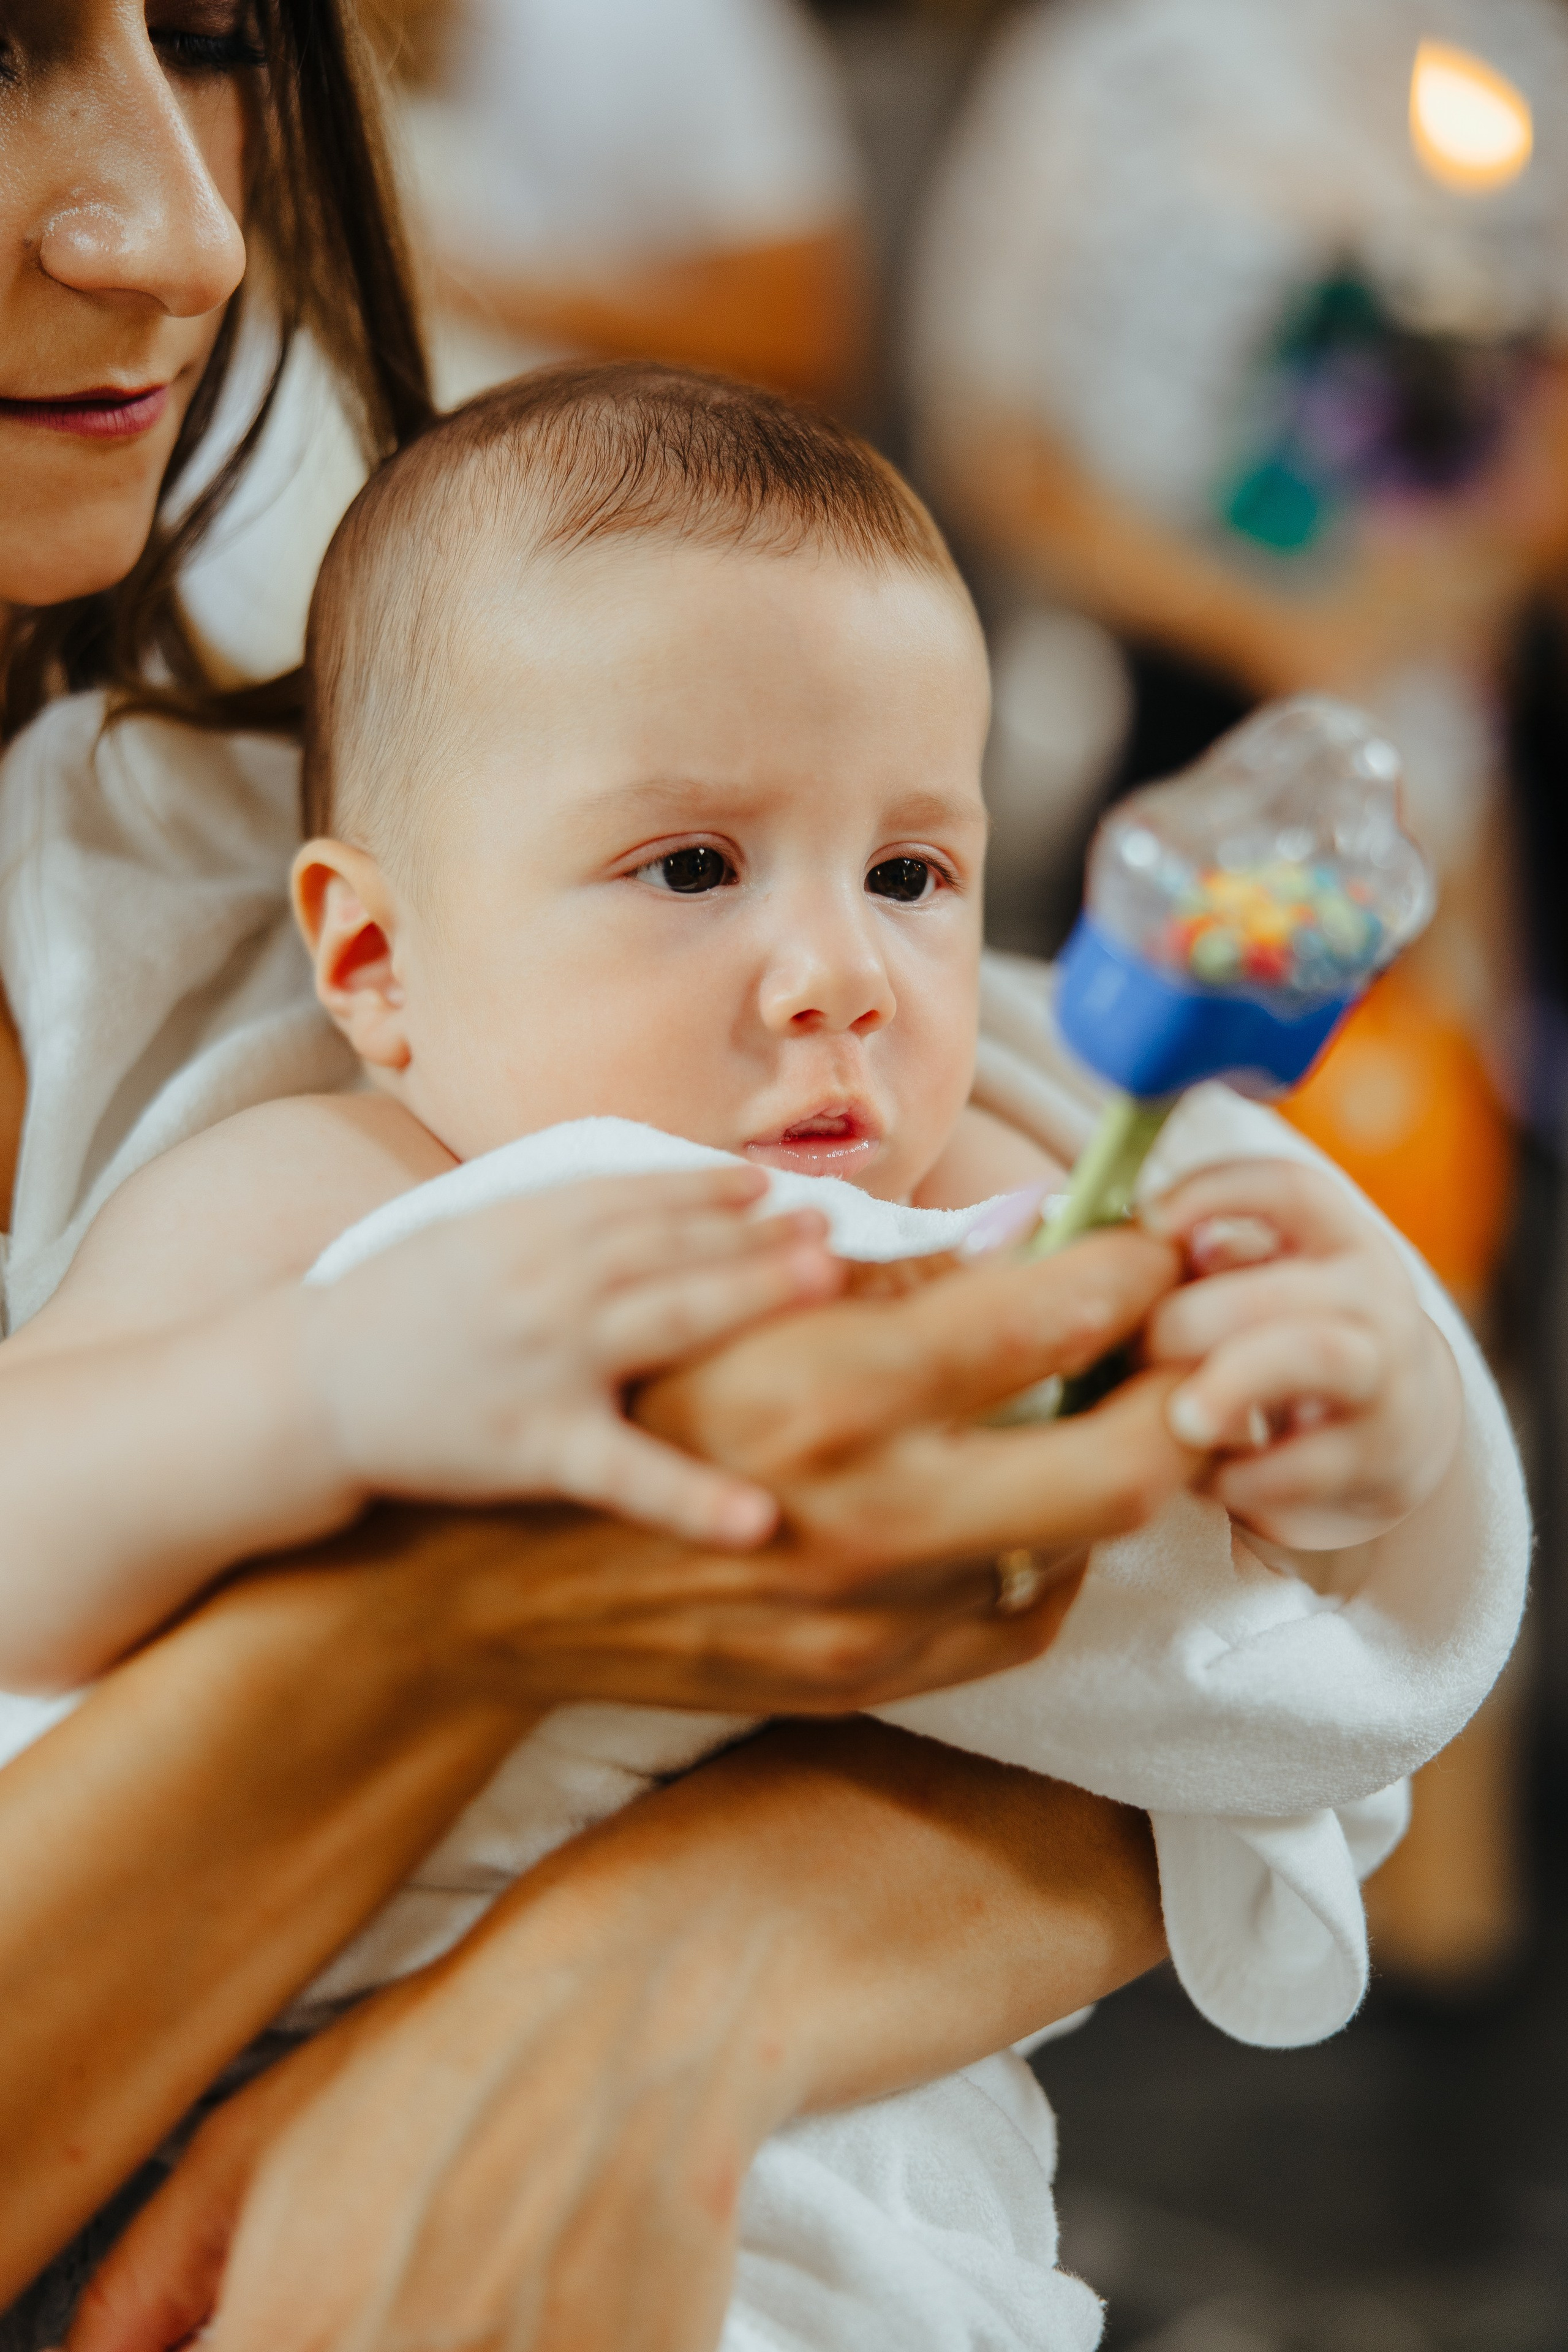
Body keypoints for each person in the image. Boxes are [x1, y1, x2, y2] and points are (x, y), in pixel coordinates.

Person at [0, 6, 1304, 2343]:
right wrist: (418, 1576)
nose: (186, 231)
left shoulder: (249, 784)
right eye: (697, 864)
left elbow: (1265, 1682)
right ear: (374, 957)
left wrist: (668, 1975)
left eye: (205, 37)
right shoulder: (337, 1168)